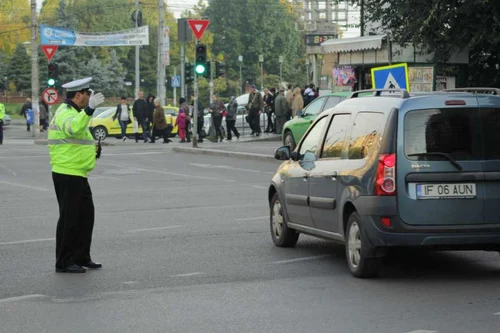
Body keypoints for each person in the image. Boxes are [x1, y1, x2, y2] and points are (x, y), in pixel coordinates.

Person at [47, 77, 105, 273]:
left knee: (85, 217)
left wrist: (93, 151)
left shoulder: (75, 112)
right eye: (87, 95)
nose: (89, 98)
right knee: (69, 219)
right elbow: (74, 128)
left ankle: (81, 256)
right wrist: (89, 110)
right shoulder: (65, 113)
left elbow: (78, 138)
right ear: (78, 95)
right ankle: (64, 261)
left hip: (78, 173)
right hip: (66, 173)